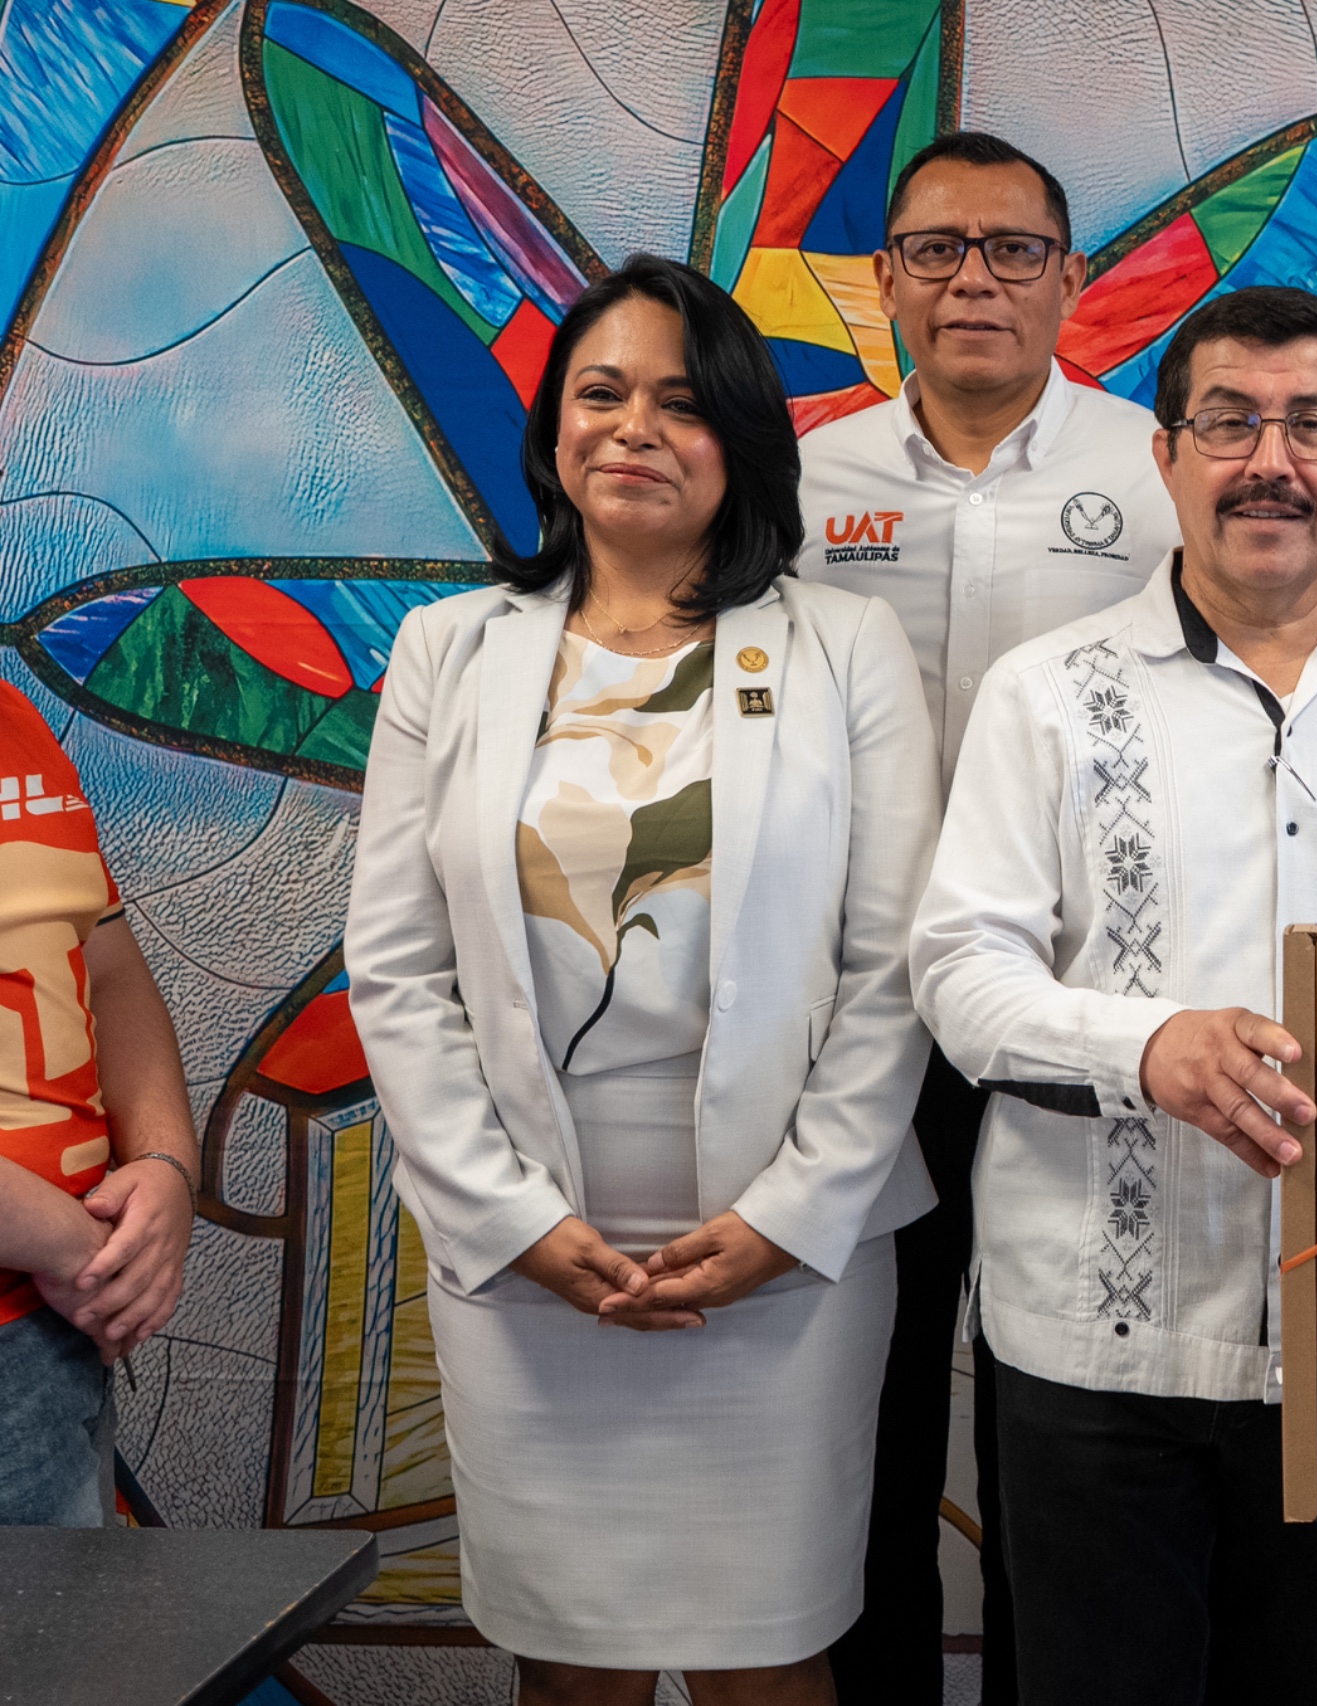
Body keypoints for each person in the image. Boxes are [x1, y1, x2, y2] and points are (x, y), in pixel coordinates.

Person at [346, 255, 941, 1706]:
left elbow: (892, 964)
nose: (633, 426)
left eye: (681, 401)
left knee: (773, 1659)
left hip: (784, 1257)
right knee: (572, 1665)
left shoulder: (843, 644)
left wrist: (794, 1215)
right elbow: (398, 965)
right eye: (599, 391)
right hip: (530, 1252)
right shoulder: (451, 650)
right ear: (553, 425)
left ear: (738, 439)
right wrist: (512, 1218)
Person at [910, 285, 1317, 1706]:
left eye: (1313, 424)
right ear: (1168, 455)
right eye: (1229, 420)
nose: (1270, 460)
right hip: (1090, 1348)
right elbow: (958, 971)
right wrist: (1150, 1045)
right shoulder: (1046, 692)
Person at [794, 130, 1180, 1704]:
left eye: (1014, 249)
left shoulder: (1159, 470)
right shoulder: (803, 484)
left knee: (1054, 1416)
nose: (975, 279)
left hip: (1069, 1017)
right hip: (859, 1020)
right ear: (884, 279)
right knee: (865, 1411)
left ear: (1071, 279)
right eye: (938, 249)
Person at [0, 680, 195, 1525]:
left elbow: (107, 968)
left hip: (55, 1323)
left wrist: (166, 1168)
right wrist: (80, 1253)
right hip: (58, 1284)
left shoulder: (13, 715)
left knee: (73, 1653)